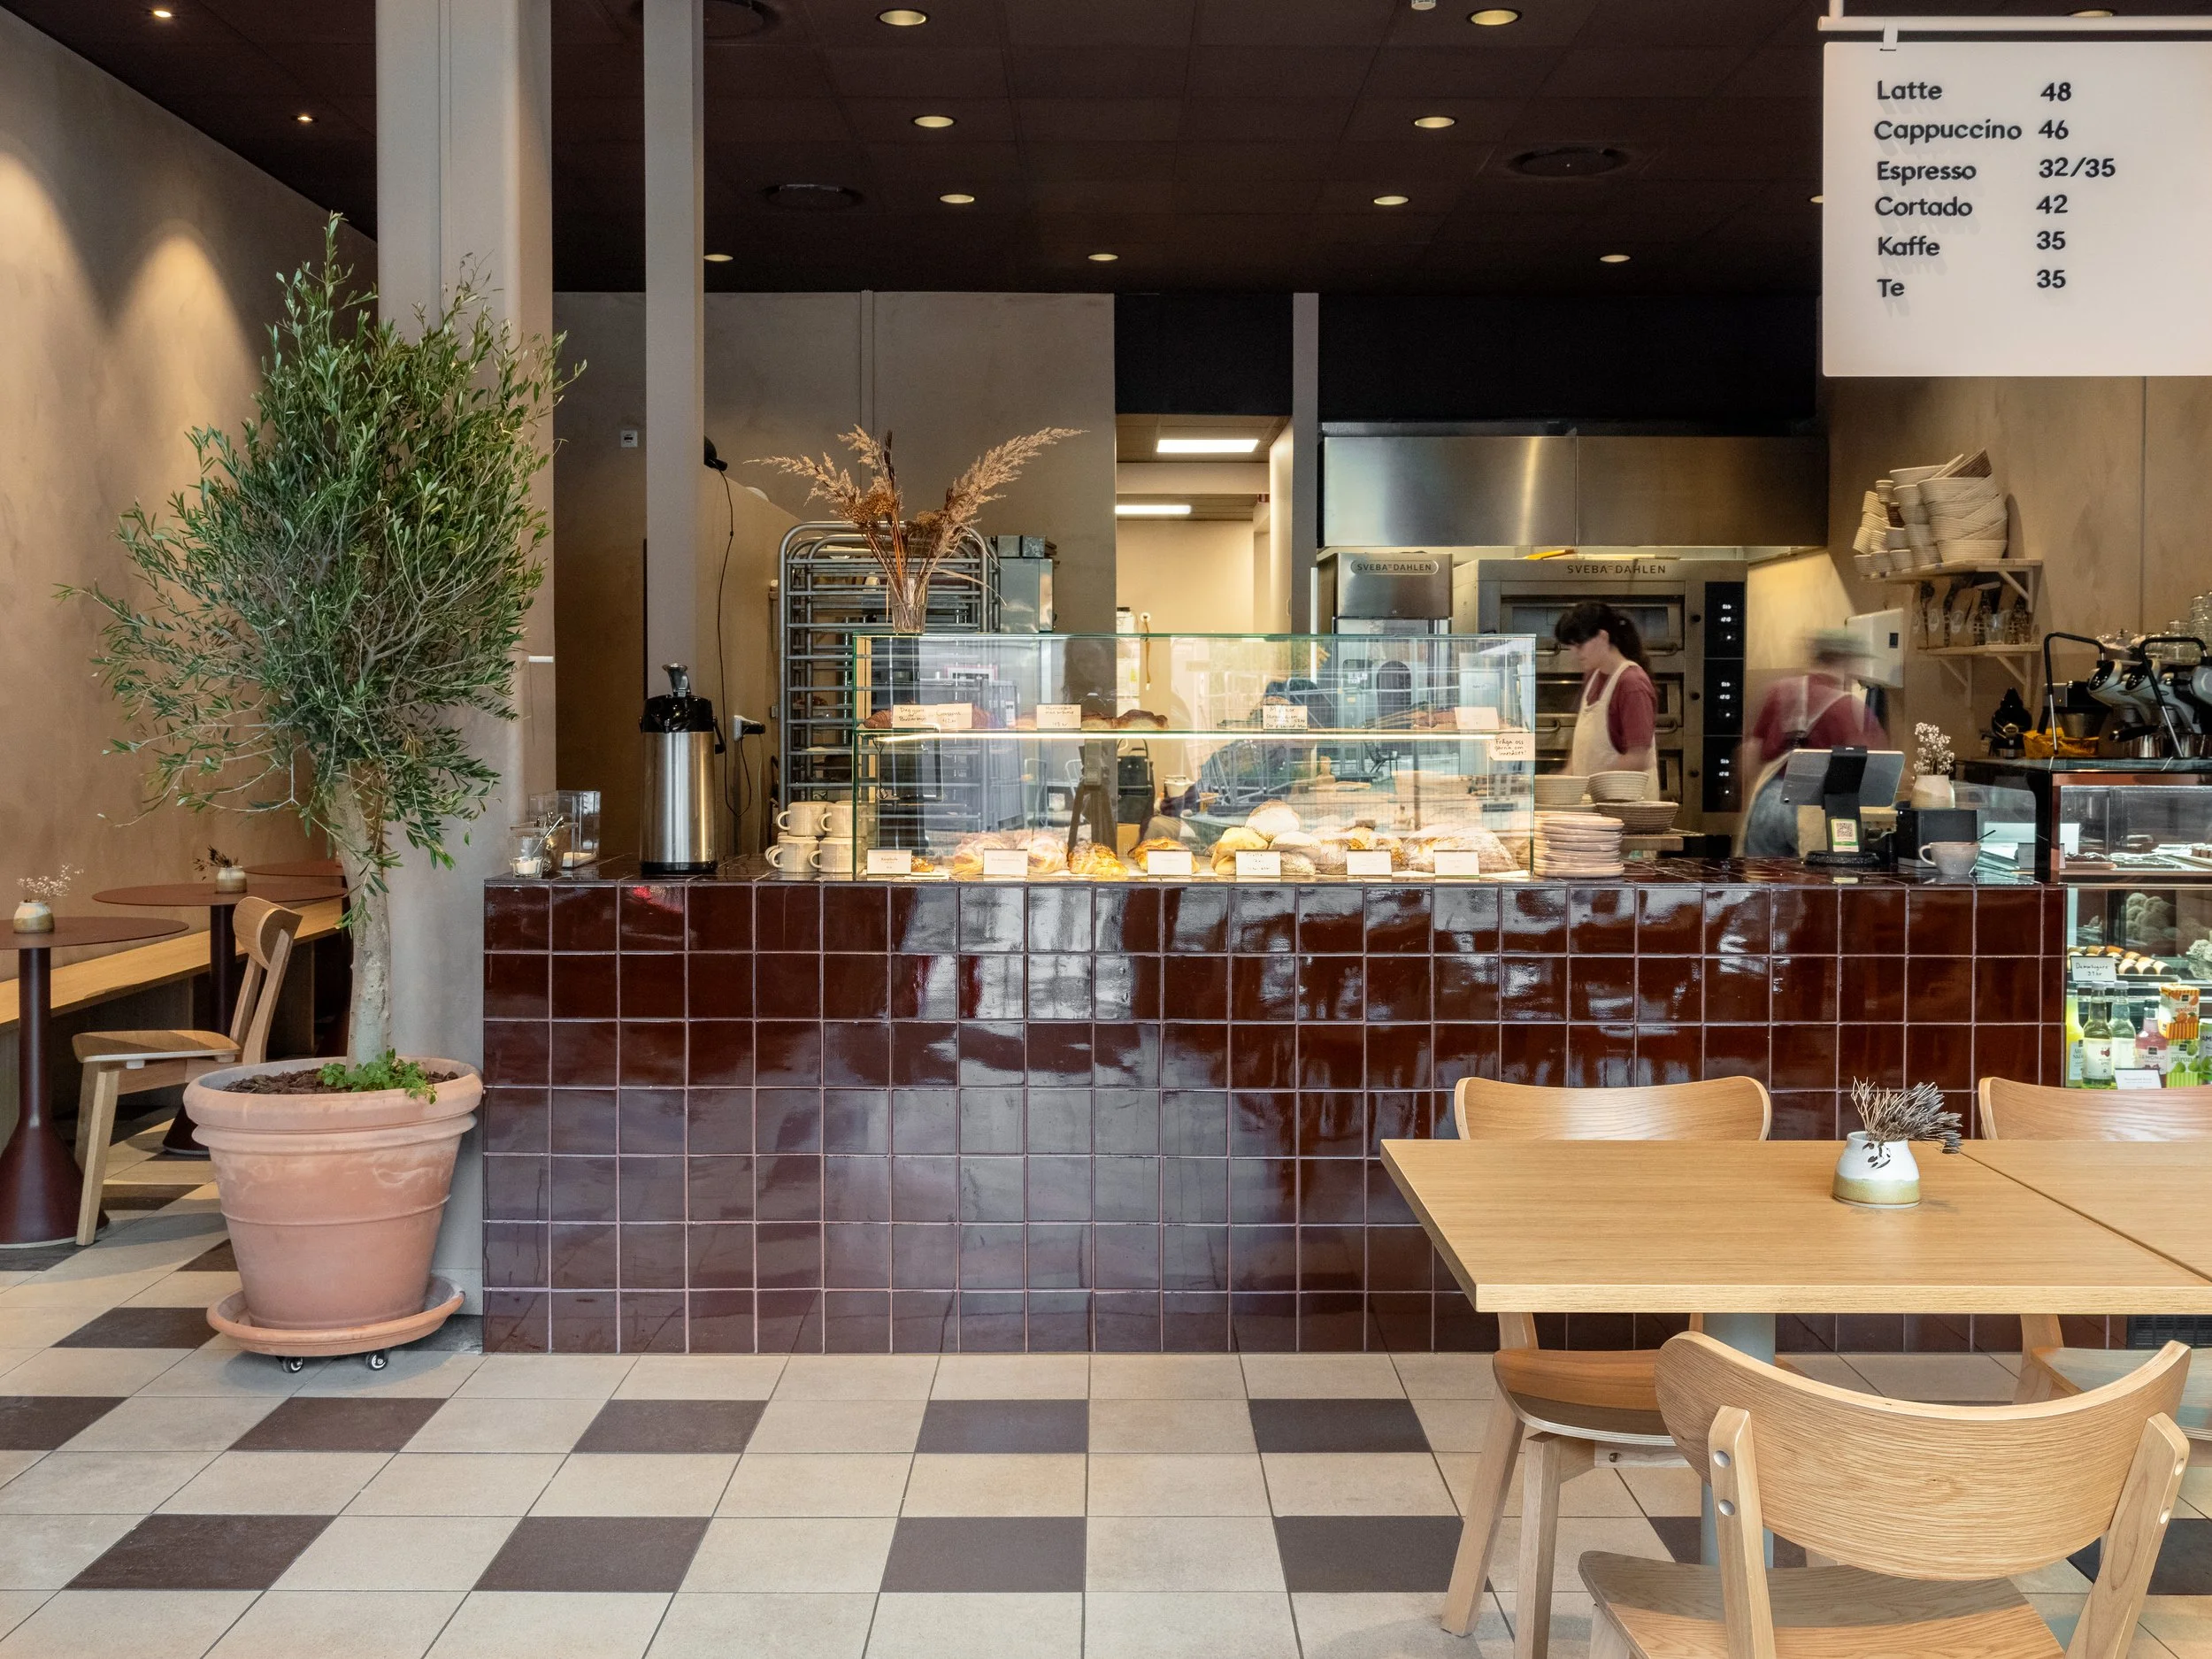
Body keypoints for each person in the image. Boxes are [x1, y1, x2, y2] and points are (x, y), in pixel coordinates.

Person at [1738, 627, 1890, 856]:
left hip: (1768, 802)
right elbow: (1876, 767)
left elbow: (1750, 752)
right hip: (1814, 807)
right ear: (1846, 661)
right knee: (1813, 885)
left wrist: (1747, 800)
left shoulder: (1780, 692)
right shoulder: (1849, 708)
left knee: (1761, 883)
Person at [1552, 601, 1659, 794]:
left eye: (1580, 645)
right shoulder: (1593, 675)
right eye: (1571, 646)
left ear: (1602, 637)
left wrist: (1588, 784)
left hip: (1628, 808)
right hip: (1598, 803)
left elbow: (1638, 757)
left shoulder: (1632, 683)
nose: (1574, 653)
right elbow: (1584, 745)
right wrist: (1566, 778)